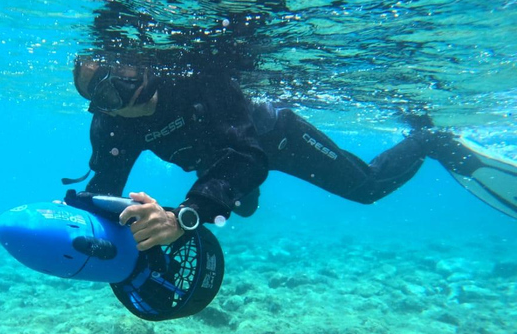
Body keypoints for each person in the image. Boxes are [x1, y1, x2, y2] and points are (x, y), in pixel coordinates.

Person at [70, 57, 517, 252]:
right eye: (104, 93)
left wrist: (182, 216)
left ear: (139, 59)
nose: (121, 93)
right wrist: (77, 219)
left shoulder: (195, 76)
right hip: (220, 167)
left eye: (119, 73)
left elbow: (249, 158)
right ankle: (217, 203)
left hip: (273, 140)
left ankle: (430, 141)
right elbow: (103, 190)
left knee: (368, 189)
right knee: (237, 210)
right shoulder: (114, 124)